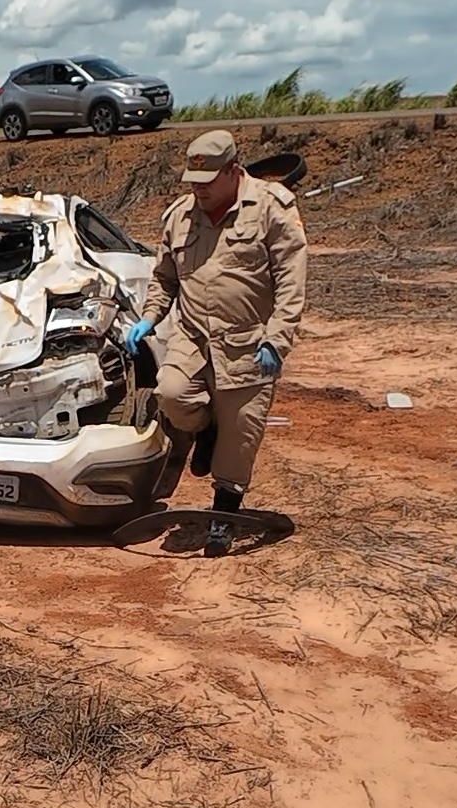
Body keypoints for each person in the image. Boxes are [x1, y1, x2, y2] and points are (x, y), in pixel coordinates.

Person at [122, 129, 307, 557]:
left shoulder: (272, 209)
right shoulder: (179, 216)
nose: (197, 191)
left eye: (205, 183)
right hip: (192, 335)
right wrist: (149, 318)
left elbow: (291, 285)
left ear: (233, 171)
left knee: (241, 432)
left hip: (248, 340)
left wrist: (277, 340)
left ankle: (224, 511)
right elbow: (164, 278)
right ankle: (203, 431)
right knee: (172, 396)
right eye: (191, 182)